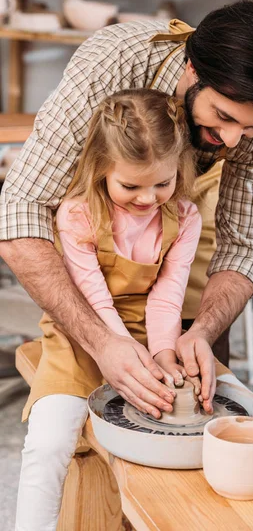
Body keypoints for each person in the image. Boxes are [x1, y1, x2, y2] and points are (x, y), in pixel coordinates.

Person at [0, 0, 253, 417]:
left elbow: (245, 246)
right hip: (102, 194)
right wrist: (103, 342)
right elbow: (21, 211)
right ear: (192, 69)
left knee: (201, 360)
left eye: (251, 127)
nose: (236, 140)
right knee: (89, 362)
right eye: (222, 115)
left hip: (190, 201)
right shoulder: (112, 63)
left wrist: (202, 330)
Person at [15, 88, 203, 531]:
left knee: (199, 426)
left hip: (154, 334)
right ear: (101, 169)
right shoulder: (78, 214)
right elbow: (93, 299)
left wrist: (162, 355)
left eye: (163, 182)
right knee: (48, 443)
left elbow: (168, 295)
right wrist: (116, 350)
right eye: (131, 186)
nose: (148, 198)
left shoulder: (185, 217)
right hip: (82, 334)